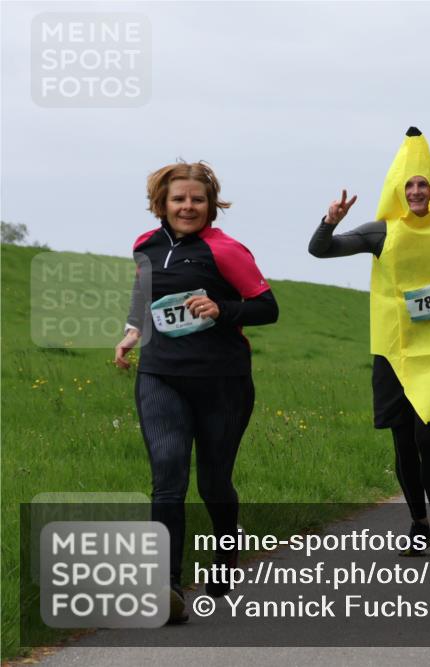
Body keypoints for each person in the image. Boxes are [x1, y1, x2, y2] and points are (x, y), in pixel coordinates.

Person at [114, 161, 279, 624]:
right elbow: (144, 294)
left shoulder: (225, 250)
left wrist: (221, 308)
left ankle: (225, 553)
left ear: (211, 205)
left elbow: (267, 308)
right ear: (161, 204)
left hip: (222, 381)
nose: (188, 207)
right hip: (160, 375)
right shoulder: (145, 245)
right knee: (168, 476)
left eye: (197, 200)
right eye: (179, 199)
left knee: (213, 482)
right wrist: (133, 330)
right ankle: (166, 586)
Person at [308, 127, 430, 558]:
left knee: (427, 437)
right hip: (393, 351)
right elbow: (321, 250)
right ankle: (418, 524)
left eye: (422, 184)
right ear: (397, 190)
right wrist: (331, 220)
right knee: (402, 441)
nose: (415, 192)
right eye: (408, 185)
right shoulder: (381, 231)